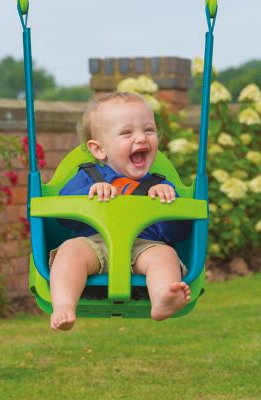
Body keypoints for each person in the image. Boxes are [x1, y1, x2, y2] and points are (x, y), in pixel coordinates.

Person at [49, 92, 191, 330]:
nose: (141, 139)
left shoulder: (160, 184)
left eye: (148, 130)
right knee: (69, 252)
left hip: (144, 247)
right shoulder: (88, 176)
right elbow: (63, 217)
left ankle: (162, 300)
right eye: (127, 133)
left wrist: (167, 203)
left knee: (165, 256)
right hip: (94, 245)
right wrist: (90, 193)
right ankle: (64, 305)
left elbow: (177, 234)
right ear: (99, 149)